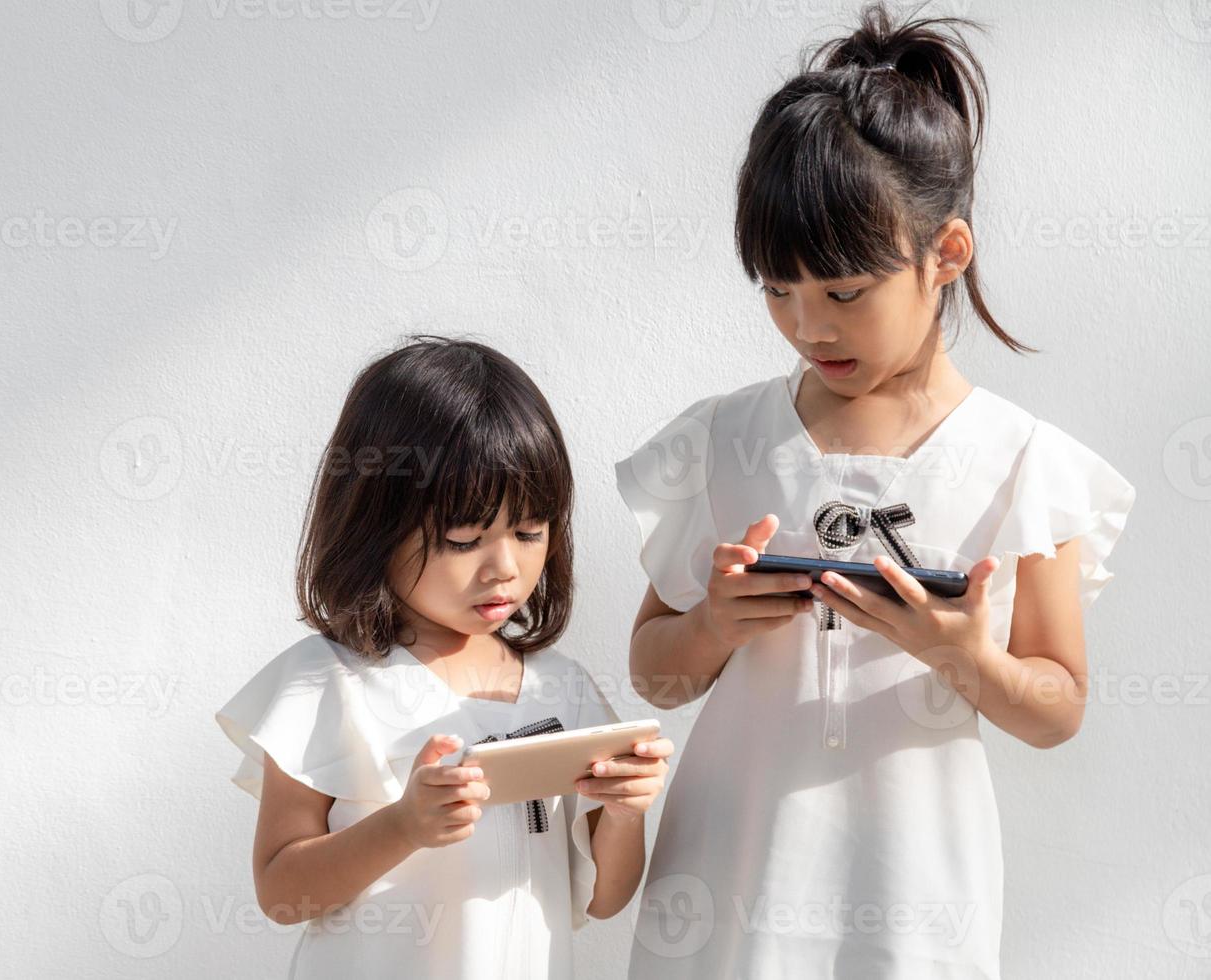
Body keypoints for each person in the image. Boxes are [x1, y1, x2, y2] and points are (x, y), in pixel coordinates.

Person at [616, 5, 1136, 977]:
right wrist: (715, 624)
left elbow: (1055, 707)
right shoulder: (722, 437)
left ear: (946, 255)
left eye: (844, 292)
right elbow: (657, 674)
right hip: (728, 886)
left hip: (912, 902)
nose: (809, 325)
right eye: (779, 289)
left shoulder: (1023, 460)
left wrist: (966, 654)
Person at [218, 336, 674, 978]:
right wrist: (405, 825)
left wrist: (626, 813)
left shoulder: (561, 689)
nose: (506, 568)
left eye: (529, 532)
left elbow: (603, 899)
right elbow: (282, 893)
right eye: (465, 539)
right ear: (375, 525)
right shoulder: (327, 681)